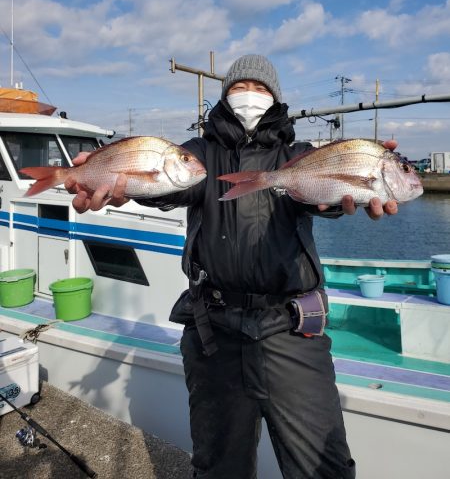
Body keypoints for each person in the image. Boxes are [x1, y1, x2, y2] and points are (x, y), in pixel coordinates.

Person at [66, 54, 398, 479]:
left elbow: (327, 195)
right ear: (225, 96)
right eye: (241, 87)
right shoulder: (199, 153)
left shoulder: (298, 156)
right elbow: (165, 186)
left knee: (325, 466)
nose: (250, 95)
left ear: (275, 98)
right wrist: (123, 185)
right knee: (218, 466)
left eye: (261, 89)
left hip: (292, 331)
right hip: (214, 333)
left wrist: (361, 179)